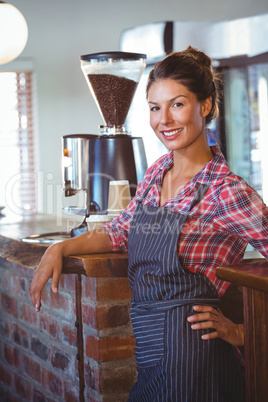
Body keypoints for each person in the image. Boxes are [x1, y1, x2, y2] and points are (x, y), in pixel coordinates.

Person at [30, 46, 268, 402]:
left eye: (177, 104)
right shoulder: (158, 171)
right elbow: (122, 230)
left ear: (204, 106)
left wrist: (244, 332)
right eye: (156, 108)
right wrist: (61, 247)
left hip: (196, 357)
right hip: (151, 351)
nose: (164, 120)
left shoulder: (225, 190)